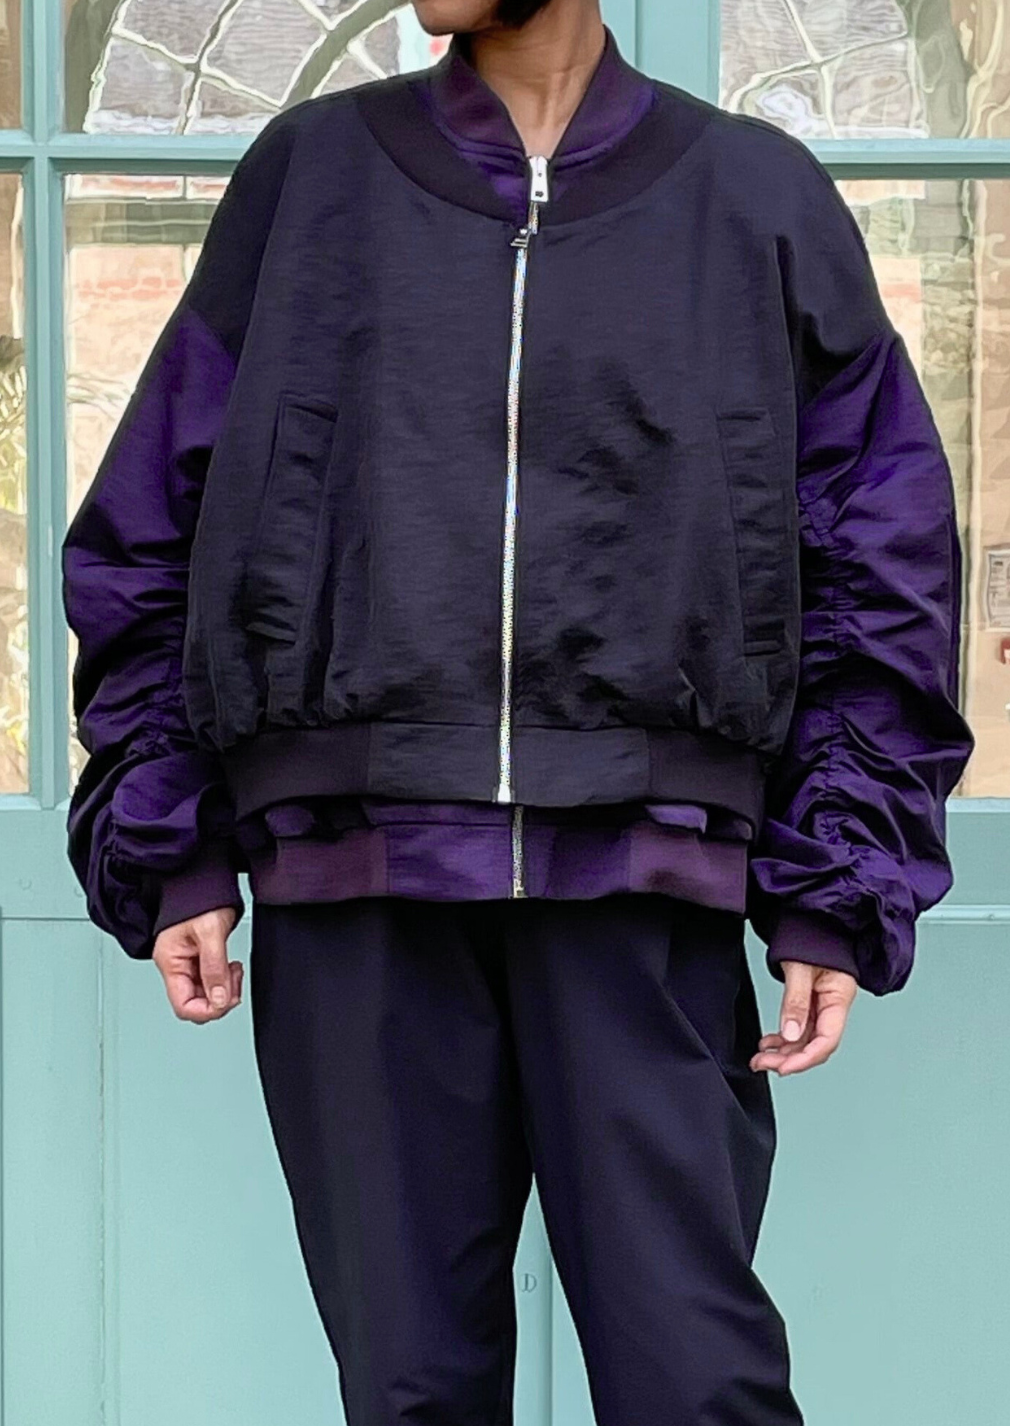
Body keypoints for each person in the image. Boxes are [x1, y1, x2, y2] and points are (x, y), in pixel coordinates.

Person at [61, 0, 974, 1420]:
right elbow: (153, 521)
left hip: (643, 880)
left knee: (696, 1384)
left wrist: (835, 877)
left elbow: (879, 546)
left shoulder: (754, 198)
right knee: (412, 1390)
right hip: (356, 881)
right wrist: (167, 834)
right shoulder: (311, 175)